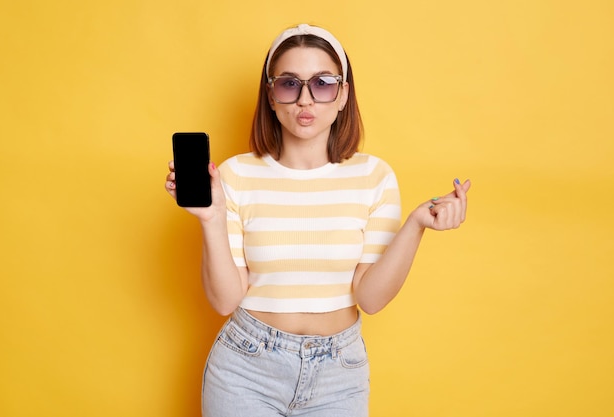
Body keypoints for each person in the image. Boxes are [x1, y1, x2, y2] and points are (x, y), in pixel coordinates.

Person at [165, 23, 470, 417]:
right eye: (289, 84)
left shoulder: (374, 177)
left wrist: (415, 225)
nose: (305, 100)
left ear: (343, 94)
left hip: (338, 373)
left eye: (323, 83)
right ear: (271, 96)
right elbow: (225, 299)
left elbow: (371, 298)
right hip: (246, 367)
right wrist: (211, 218)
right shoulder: (236, 175)